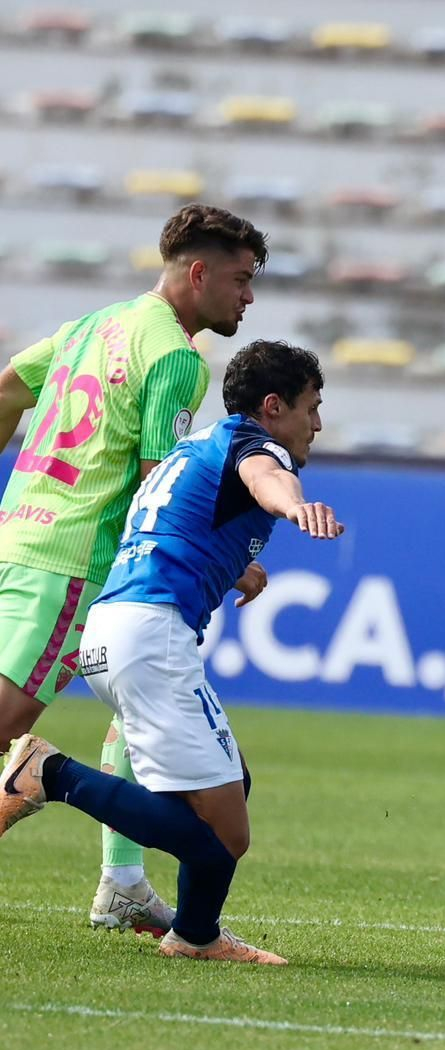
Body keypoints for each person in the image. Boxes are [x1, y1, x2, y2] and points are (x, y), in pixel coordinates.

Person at [0, 340, 340, 965]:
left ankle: (188, 928)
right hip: (150, 640)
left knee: (232, 781)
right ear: (273, 407)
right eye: (311, 407)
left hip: (113, 627)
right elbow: (267, 481)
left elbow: (168, 520)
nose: (317, 424)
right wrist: (294, 505)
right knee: (221, 839)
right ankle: (50, 775)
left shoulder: (195, 446)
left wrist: (237, 567)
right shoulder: (255, 448)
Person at [0, 203, 268, 936]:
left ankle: (122, 882)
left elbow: (4, 394)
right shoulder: (177, 359)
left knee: (137, 708)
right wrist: (221, 559)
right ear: (200, 272)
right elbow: (159, 482)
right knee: (7, 723)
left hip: (19, 537)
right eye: (242, 280)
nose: (249, 297)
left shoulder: (91, 326)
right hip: (73, 562)